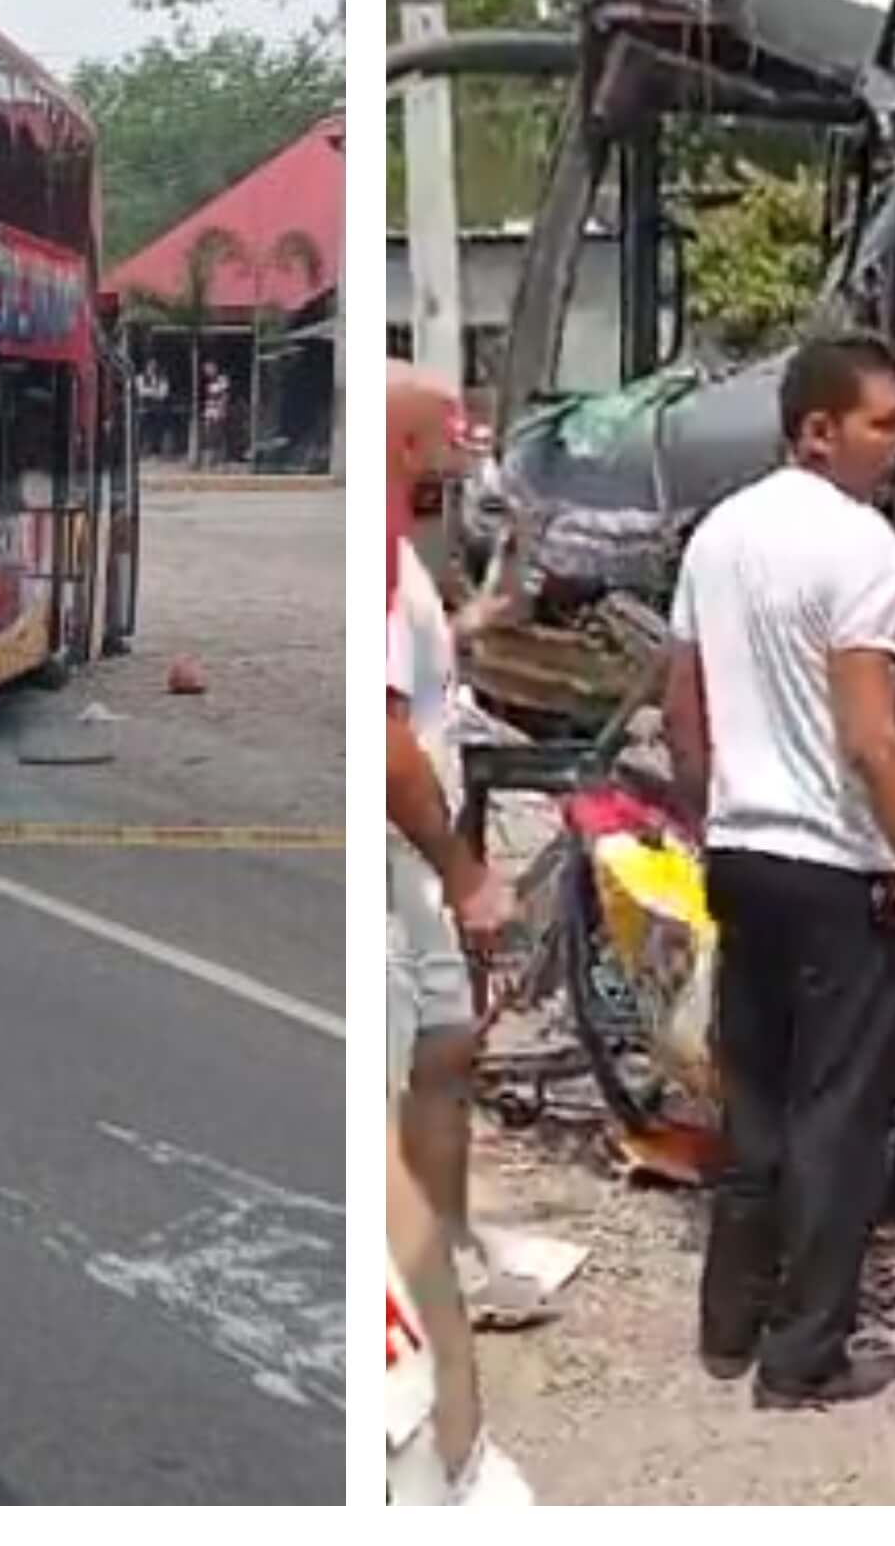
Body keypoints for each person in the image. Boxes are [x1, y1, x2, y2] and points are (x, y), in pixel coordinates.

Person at [661, 333, 895, 1409]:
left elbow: (682, 705)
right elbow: (874, 740)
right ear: (816, 430)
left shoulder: (716, 535)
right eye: (882, 424)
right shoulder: (862, 549)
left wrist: (712, 817)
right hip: (839, 871)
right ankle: (803, 1360)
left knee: (753, 1103)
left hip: (744, 852)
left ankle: (726, 1328)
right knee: (838, 1120)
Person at [385, 366, 555, 1329]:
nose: (463, 459)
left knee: (445, 1053)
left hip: (415, 855)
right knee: (414, 1057)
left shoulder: (404, 568)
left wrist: (473, 623)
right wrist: (465, 872)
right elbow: (387, 744)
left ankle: (444, 1250)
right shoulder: (379, 566)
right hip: (403, 859)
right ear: (406, 448)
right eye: (448, 441)